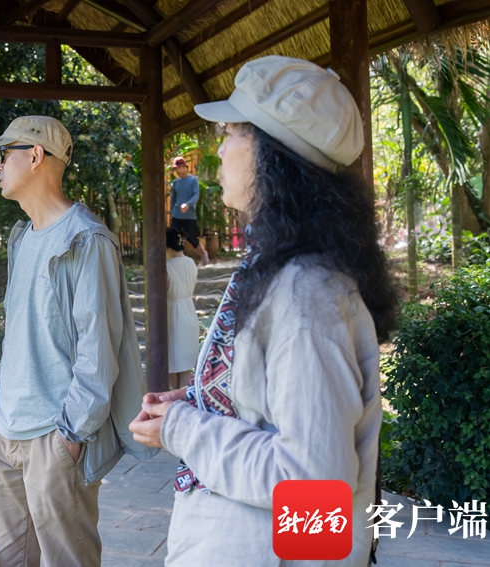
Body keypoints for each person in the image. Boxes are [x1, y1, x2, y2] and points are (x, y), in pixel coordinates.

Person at [129, 56, 397, 566]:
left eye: (233, 131)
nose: (220, 148)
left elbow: (315, 490)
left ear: (273, 154)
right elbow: (277, 406)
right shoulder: (282, 267)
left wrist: (181, 427)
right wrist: (206, 398)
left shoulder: (306, 294)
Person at [0, 116, 158, 567]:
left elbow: (99, 350)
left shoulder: (86, 240)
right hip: (0, 426)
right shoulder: (22, 237)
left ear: (36, 155)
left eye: (5, 154)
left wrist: (71, 434)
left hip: (53, 435)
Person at [165, 227, 199, 390]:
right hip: (189, 312)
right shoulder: (191, 262)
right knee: (185, 364)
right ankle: (185, 400)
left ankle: (174, 400)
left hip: (172, 314)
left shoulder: (166, 266)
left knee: (170, 363)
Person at [169, 157, 209, 265]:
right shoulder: (175, 183)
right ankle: (177, 260)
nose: (178, 170)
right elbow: (173, 199)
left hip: (189, 215)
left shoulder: (193, 180)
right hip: (176, 215)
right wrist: (172, 213)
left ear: (185, 167)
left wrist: (188, 204)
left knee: (192, 238)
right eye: (176, 168)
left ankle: (203, 254)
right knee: (174, 237)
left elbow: (196, 195)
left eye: (179, 167)